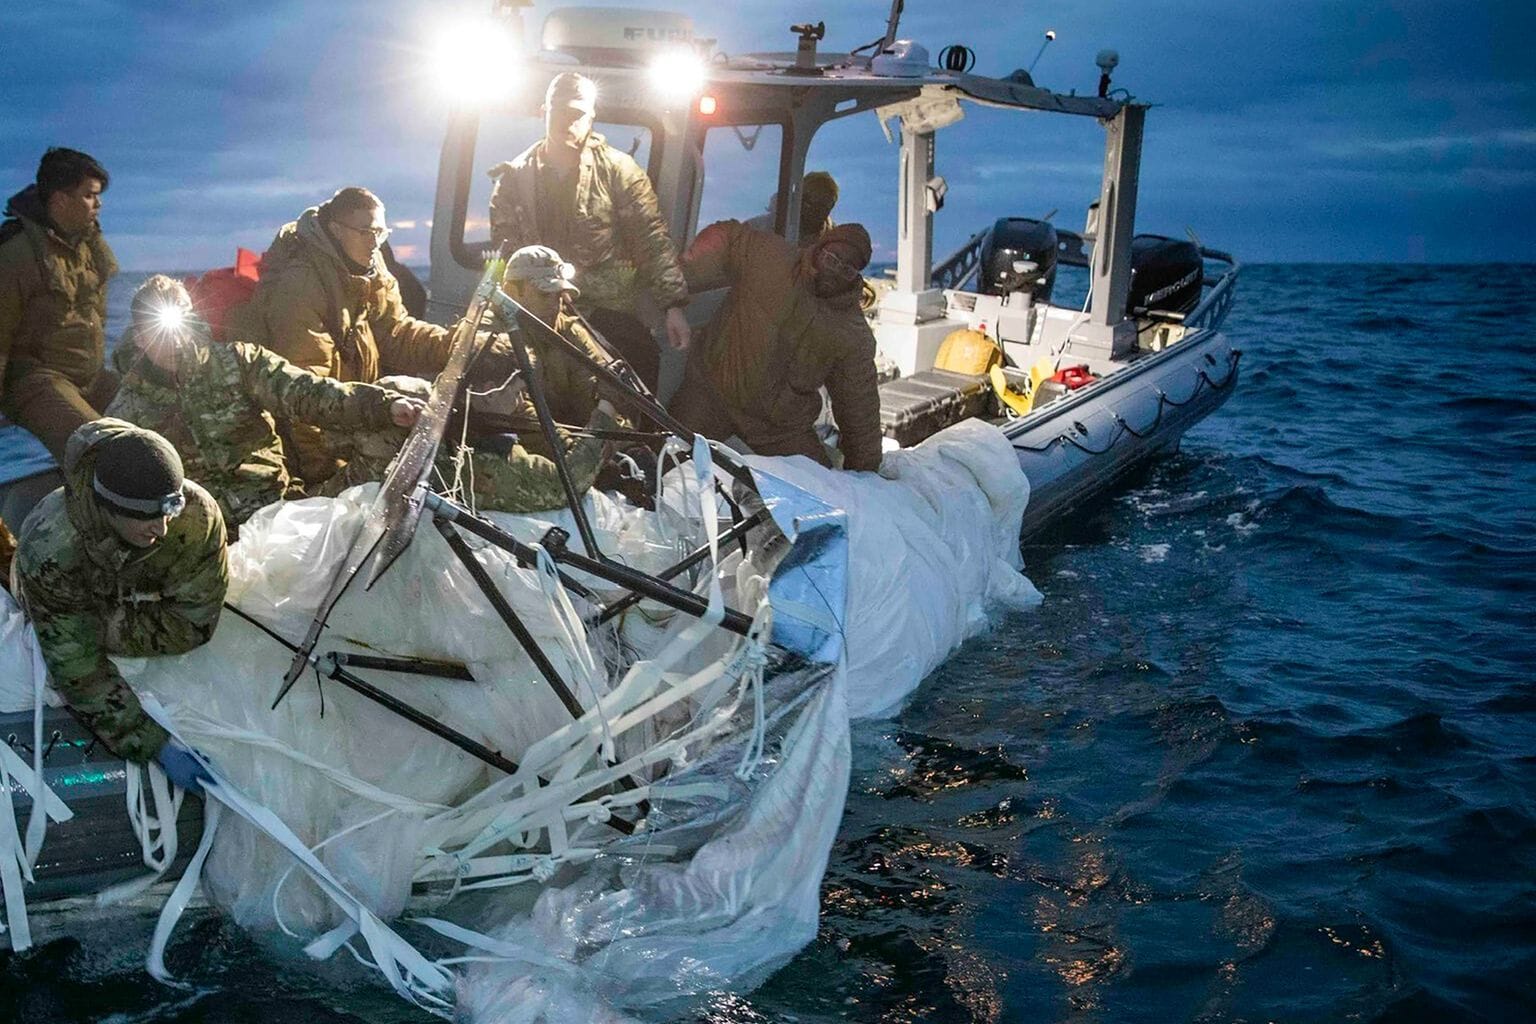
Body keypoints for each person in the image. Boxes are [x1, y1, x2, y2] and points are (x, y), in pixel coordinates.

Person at [235, 186, 509, 488]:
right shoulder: (299, 286)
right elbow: (304, 394)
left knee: (420, 400)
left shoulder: (370, 270)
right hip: (309, 433)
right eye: (366, 231)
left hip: (351, 410)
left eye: (381, 231)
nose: (375, 242)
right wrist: (325, 479)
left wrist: (456, 345)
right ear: (337, 231)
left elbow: (397, 333)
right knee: (402, 401)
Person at [107, 275, 424, 529]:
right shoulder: (126, 413)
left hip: (280, 511)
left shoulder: (239, 362)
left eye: (180, 328)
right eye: (159, 331)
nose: (174, 343)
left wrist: (383, 406)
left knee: (391, 435)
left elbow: (309, 393)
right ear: (138, 337)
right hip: (205, 540)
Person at [11, 419, 227, 792]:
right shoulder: (50, 549)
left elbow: (194, 622)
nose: (161, 529)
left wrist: (107, 623)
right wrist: (154, 744)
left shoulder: (195, 516)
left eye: (167, 513)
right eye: (145, 518)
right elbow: (77, 665)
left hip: (109, 603)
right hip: (61, 591)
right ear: (109, 508)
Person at [488, 72, 690, 391]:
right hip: (538, 310)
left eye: (577, 114)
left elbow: (651, 240)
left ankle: (635, 440)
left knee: (639, 366)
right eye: (559, 112)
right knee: (501, 372)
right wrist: (494, 303)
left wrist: (673, 306)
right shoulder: (514, 179)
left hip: (604, 309)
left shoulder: (619, 172)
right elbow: (504, 254)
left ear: (592, 117)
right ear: (544, 112)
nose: (567, 122)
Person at [670, 220, 883, 472]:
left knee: (822, 490)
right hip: (712, 393)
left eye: (848, 269)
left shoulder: (852, 333)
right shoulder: (771, 257)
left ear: (857, 276)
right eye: (832, 259)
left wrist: (866, 472)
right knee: (662, 456)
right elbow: (728, 235)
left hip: (778, 427)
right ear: (819, 249)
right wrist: (686, 272)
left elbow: (859, 407)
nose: (835, 272)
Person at [0, 148, 118, 460]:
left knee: (163, 415)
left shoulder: (88, 245)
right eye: (90, 195)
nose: (99, 204)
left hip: (90, 376)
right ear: (60, 199)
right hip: (36, 380)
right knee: (102, 447)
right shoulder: (16, 253)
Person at [746, 170, 840, 246]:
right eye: (810, 202)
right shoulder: (758, 230)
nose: (815, 211)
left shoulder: (835, 244)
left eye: (823, 206)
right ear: (797, 198)